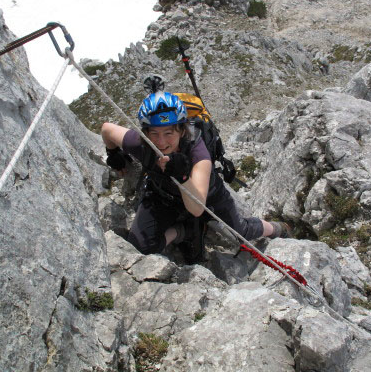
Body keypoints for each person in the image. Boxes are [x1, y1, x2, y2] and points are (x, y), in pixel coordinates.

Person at [101, 76, 290, 260]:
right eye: (154, 133)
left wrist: (182, 176)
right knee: (141, 246)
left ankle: (278, 228)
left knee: (241, 232)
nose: (161, 142)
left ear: (182, 130)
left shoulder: (198, 154)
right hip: (162, 196)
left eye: (169, 133)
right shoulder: (142, 143)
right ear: (146, 132)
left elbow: (197, 208)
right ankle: (184, 231)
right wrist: (114, 155)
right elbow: (107, 129)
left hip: (207, 197)